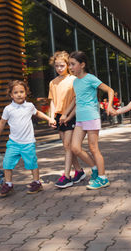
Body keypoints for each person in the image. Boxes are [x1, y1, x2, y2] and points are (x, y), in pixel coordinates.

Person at [61, 51, 116, 190]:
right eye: (69, 65)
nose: (70, 67)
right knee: (75, 148)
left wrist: (109, 106)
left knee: (93, 148)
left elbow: (109, 90)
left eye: (73, 64)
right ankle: (95, 168)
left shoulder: (90, 78)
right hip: (80, 119)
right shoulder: (75, 81)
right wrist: (67, 116)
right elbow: (76, 100)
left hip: (91, 117)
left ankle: (103, 178)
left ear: (82, 64)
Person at [0, 80, 55, 197]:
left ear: (26, 93)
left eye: (21, 92)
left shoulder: (29, 106)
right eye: (16, 92)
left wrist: (49, 119)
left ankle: (37, 183)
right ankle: (9, 184)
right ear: (11, 95)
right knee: (7, 163)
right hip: (13, 143)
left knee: (32, 163)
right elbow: (1, 123)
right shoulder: (8, 109)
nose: (19, 94)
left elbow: (38, 113)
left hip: (28, 142)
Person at [48, 51, 84, 189]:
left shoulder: (73, 80)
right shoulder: (53, 82)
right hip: (58, 116)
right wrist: (51, 117)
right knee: (66, 146)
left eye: (62, 65)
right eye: (57, 66)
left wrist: (67, 114)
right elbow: (52, 101)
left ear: (67, 65)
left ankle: (67, 176)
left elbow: (76, 99)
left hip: (69, 115)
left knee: (68, 146)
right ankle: (79, 171)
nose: (59, 69)